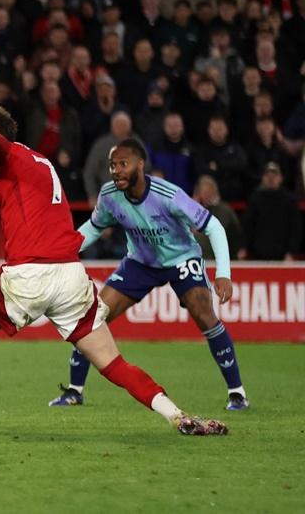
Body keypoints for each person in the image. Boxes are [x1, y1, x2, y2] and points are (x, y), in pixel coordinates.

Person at [0, 109, 228, 435]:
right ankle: (177, 415)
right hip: (70, 278)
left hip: (30, 276)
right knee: (113, 363)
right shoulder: (35, 163)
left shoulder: (2, 155)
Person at [48, 139, 247, 411]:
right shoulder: (109, 195)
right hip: (140, 263)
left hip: (181, 260)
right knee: (93, 315)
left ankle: (237, 393)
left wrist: (223, 273)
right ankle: (74, 391)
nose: (116, 170)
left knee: (204, 314)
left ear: (140, 165)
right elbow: (94, 228)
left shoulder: (168, 195)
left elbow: (214, 227)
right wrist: (61, 250)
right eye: (112, 165)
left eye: (123, 164)